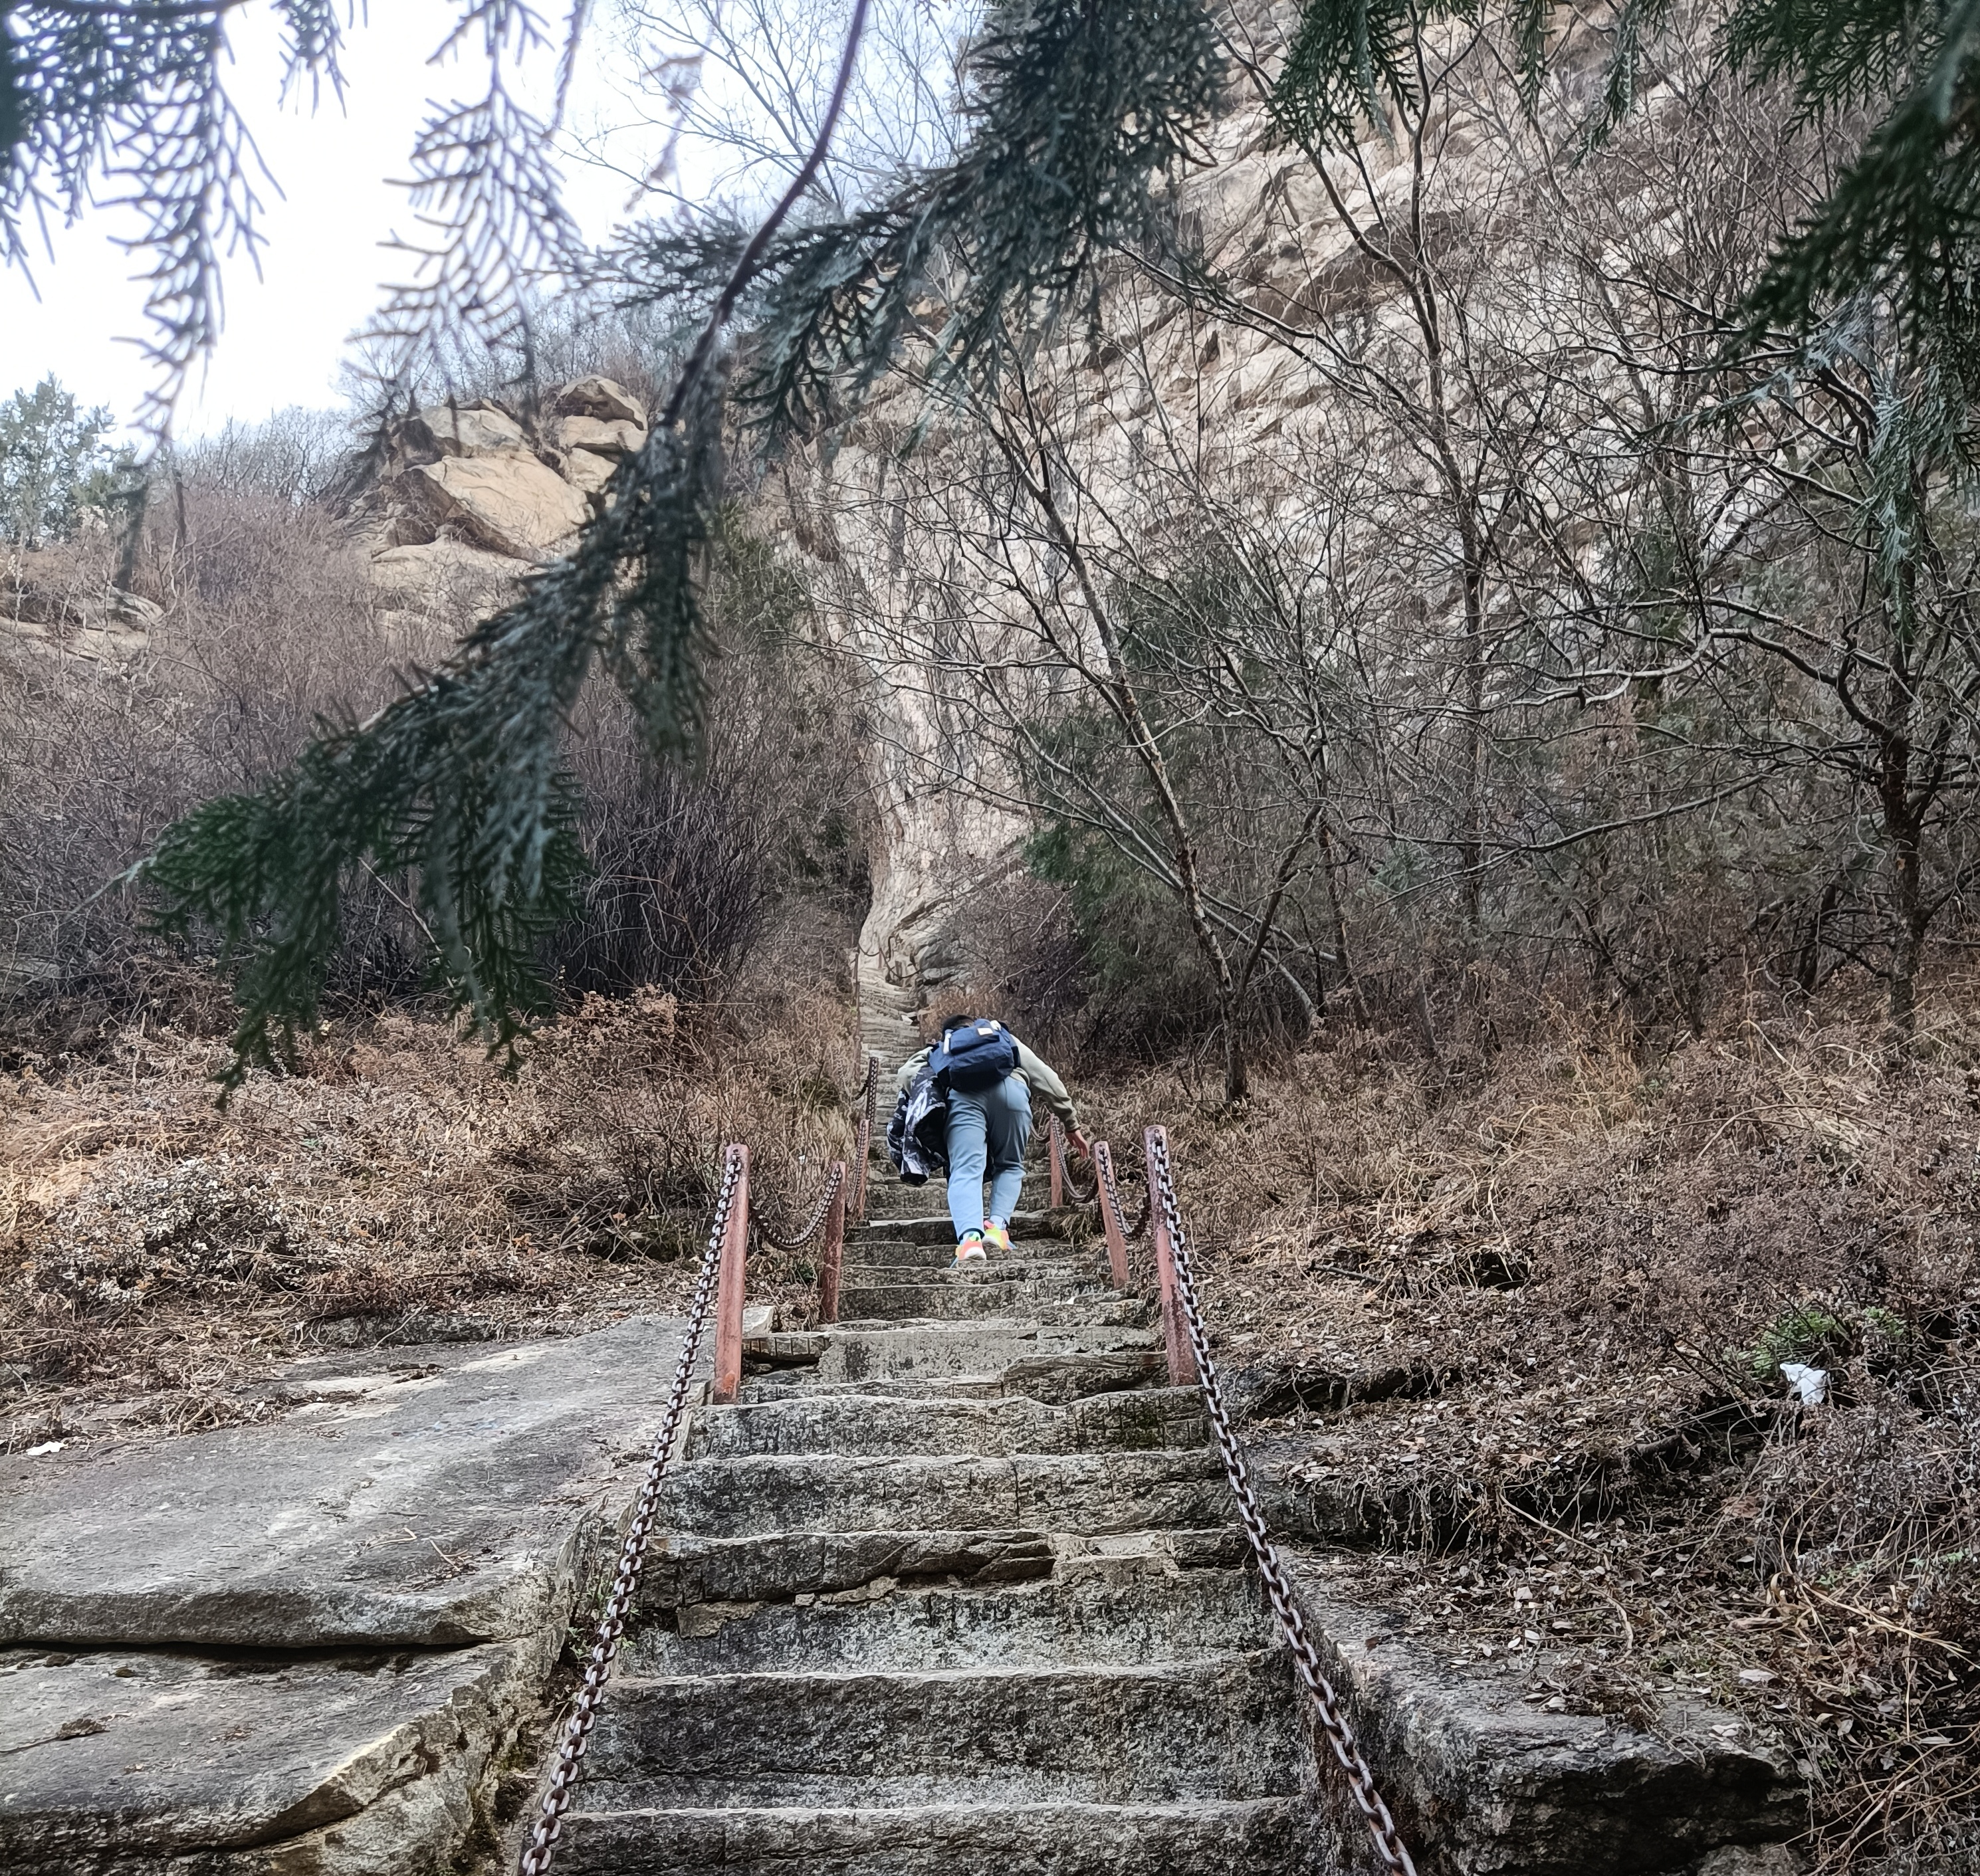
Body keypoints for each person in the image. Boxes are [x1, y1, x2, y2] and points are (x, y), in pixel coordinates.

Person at [895, 1012, 1092, 1270]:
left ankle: (970, 1240)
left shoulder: (942, 1047)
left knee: (965, 1169)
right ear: (975, 1026)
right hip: (1013, 1094)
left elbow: (906, 1075)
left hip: (964, 1098)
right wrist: (1071, 1123)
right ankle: (997, 1229)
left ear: (949, 1033)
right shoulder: (1001, 1036)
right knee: (1010, 1165)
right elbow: (1046, 1077)